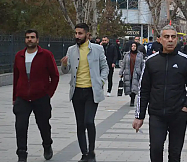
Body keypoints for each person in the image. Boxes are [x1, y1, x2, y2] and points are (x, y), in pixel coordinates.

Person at [132, 25, 187, 162]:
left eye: (173, 37)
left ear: (177, 39)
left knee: (175, 153)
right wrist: (139, 116)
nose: (170, 40)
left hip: (178, 114)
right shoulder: (151, 61)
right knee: (156, 149)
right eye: (166, 37)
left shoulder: (185, 60)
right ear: (160, 40)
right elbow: (143, 90)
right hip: (157, 115)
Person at [61, 23, 109, 162]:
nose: (77, 36)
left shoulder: (97, 49)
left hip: (91, 91)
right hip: (76, 91)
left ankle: (91, 151)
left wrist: (101, 81)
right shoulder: (71, 50)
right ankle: (84, 154)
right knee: (80, 124)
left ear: (87, 35)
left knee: (89, 121)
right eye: (76, 33)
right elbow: (66, 71)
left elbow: (104, 67)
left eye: (80, 33)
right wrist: (64, 65)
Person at [13, 30, 59, 162]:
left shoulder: (45, 55)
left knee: (43, 124)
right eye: (27, 37)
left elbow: (55, 76)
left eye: (32, 37)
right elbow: (16, 77)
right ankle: (22, 154)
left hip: (40, 97)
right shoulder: (19, 56)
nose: (29, 40)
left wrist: (48, 94)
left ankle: (47, 144)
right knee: (20, 126)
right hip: (22, 97)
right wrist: (15, 97)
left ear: (37, 40)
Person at [119, 42, 144, 106]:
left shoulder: (140, 55)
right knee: (128, 87)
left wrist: (143, 73)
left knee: (134, 87)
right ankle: (131, 96)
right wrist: (121, 72)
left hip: (136, 73)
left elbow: (142, 64)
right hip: (128, 72)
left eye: (134, 46)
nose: (133, 47)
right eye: (132, 46)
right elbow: (123, 64)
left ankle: (132, 100)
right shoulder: (127, 55)